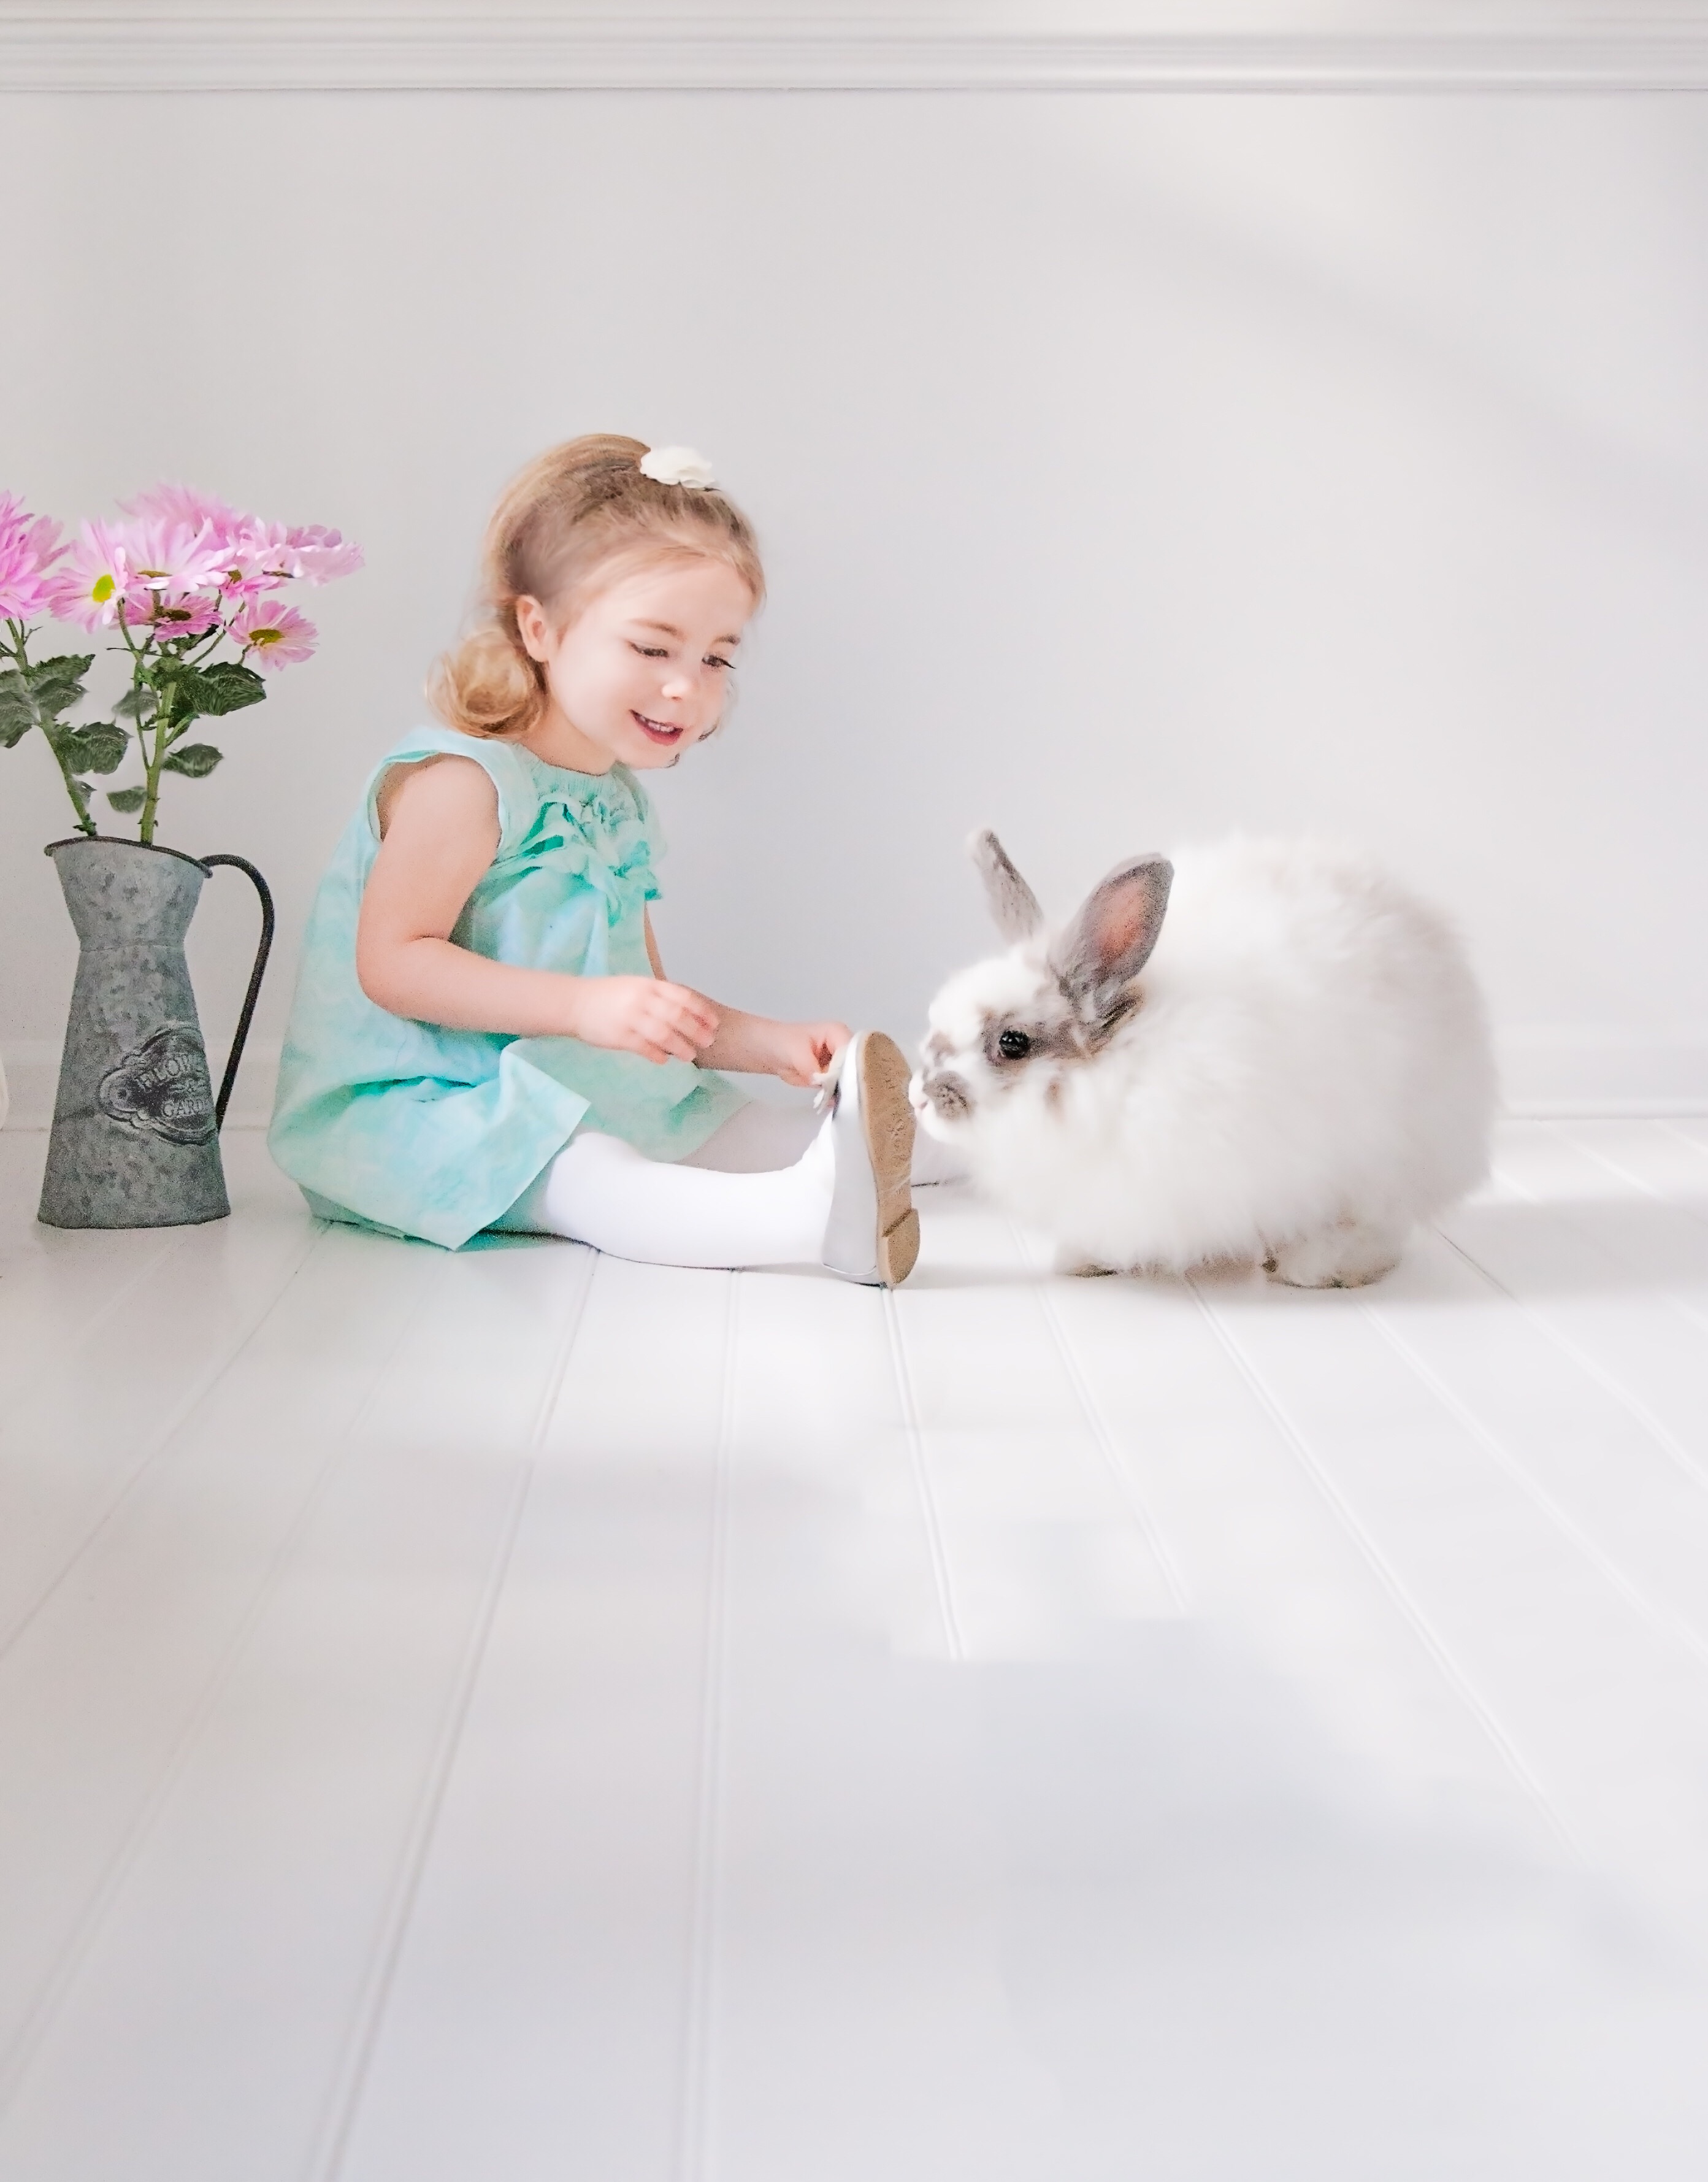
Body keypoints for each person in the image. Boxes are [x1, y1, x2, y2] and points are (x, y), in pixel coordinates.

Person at [268, 434, 923, 1284]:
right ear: (539, 627)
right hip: (417, 1114)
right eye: (651, 648)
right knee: (591, 1176)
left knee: (720, 1121)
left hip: (555, 1083)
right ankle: (805, 1223)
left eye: (716, 657)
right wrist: (585, 1008)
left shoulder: (611, 802)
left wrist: (762, 1041)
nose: (686, 685)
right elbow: (392, 964)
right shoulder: (462, 784)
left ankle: (938, 1154)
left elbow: (644, 1002)